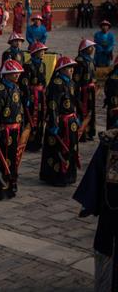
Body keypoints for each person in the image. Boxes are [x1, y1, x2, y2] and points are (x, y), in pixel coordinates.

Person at [73, 125, 118, 292]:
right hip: (111, 211)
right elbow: (98, 172)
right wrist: (91, 199)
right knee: (106, 248)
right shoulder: (111, 142)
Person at [0, 60, 25, 200]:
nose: (17, 76)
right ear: (6, 75)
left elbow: (20, 108)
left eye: (18, 73)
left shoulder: (16, 88)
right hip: (2, 131)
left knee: (12, 160)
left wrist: (22, 124)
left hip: (14, 131)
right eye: (14, 73)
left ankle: (10, 186)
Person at [39, 56, 80, 186]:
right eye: (68, 68)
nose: (71, 70)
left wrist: (76, 116)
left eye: (72, 68)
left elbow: (74, 101)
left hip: (70, 121)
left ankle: (69, 175)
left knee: (71, 147)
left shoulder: (71, 82)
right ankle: (56, 176)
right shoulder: (57, 83)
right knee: (58, 149)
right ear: (61, 69)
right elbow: (53, 105)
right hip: (60, 122)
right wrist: (53, 123)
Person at [22, 42, 49, 152]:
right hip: (32, 95)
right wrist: (27, 97)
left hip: (40, 95)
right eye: (41, 51)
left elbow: (44, 81)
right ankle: (29, 142)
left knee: (41, 117)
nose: (43, 53)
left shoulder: (43, 64)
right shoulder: (27, 65)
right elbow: (24, 84)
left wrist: (44, 92)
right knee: (31, 117)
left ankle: (38, 141)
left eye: (43, 51)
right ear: (35, 52)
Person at [74, 39, 98, 141]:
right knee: (82, 110)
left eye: (92, 47)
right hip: (83, 90)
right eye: (90, 47)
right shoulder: (80, 61)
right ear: (85, 49)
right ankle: (82, 133)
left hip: (90, 89)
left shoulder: (91, 60)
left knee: (91, 110)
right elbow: (76, 78)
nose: (92, 49)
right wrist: (77, 91)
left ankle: (89, 131)